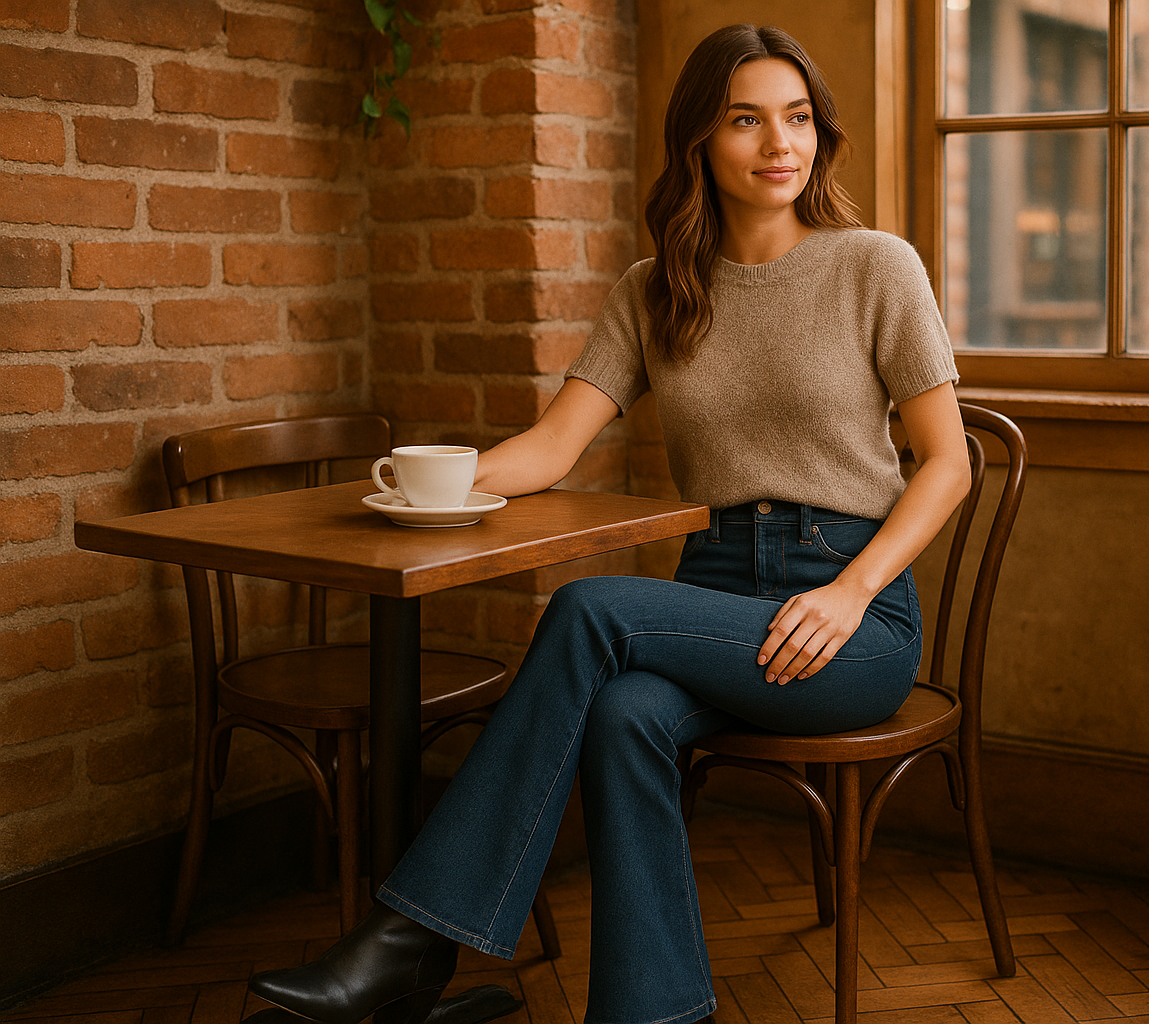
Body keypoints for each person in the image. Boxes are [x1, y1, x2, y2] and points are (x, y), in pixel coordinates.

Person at [248, 22, 971, 1024]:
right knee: (627, 713)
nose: (779, 144)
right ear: (698, 145)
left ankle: (408, 944)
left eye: (797, 118)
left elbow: (949, 463)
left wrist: (849, 591)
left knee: (589, 609)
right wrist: (422, 490)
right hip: (715, 598)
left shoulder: (873, 267)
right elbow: (550, 449)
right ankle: (657, 1012)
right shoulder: (654, 289)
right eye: (747, 120)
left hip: (850, 612)